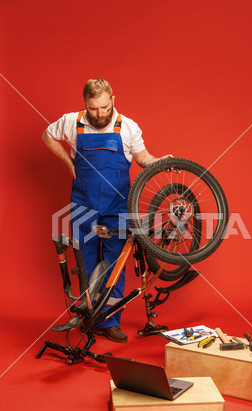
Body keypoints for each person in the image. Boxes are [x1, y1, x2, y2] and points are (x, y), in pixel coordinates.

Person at [42, 78, 172, 343]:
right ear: (85, 105)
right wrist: (69, 163)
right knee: (85, 262)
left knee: (115, 264)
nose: (99, 114)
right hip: (83, 203)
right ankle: (90, 319)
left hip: (118, 204)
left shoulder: (128, 127)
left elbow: (143, 159)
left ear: (113, 99)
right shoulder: (72, 121)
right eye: (93, 109)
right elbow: (47, 136)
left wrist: (161, 162)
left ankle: (110, 321)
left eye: (103, 107)